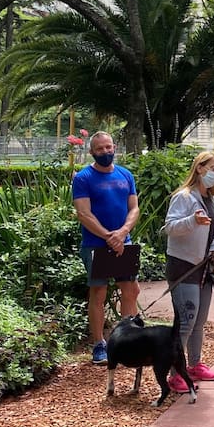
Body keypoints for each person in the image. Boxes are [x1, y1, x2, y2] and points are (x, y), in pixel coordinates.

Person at [161, 150, 214, 393]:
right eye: (212, 168)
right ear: (199, 168)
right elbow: (170, 227)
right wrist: (192, 221)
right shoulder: (184, 197)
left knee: (199, 321)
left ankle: (195, 364)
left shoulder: (212, 198)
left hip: (205, 267)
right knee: (186, 323)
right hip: (183, 266)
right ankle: (175, 373)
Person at [72, 131, 140, 365]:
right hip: (95, 245)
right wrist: (108, 236)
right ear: (92, 152)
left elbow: (134, 208)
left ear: (114, 147)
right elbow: (83, 213)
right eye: (100, 149)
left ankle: (127, 341)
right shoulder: (83, 178)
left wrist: (122, 233)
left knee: (130, 290)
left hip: (123, 242)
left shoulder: (125, 175)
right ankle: (99, 344)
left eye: (108, 147)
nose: (105, 152)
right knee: (98, 293)